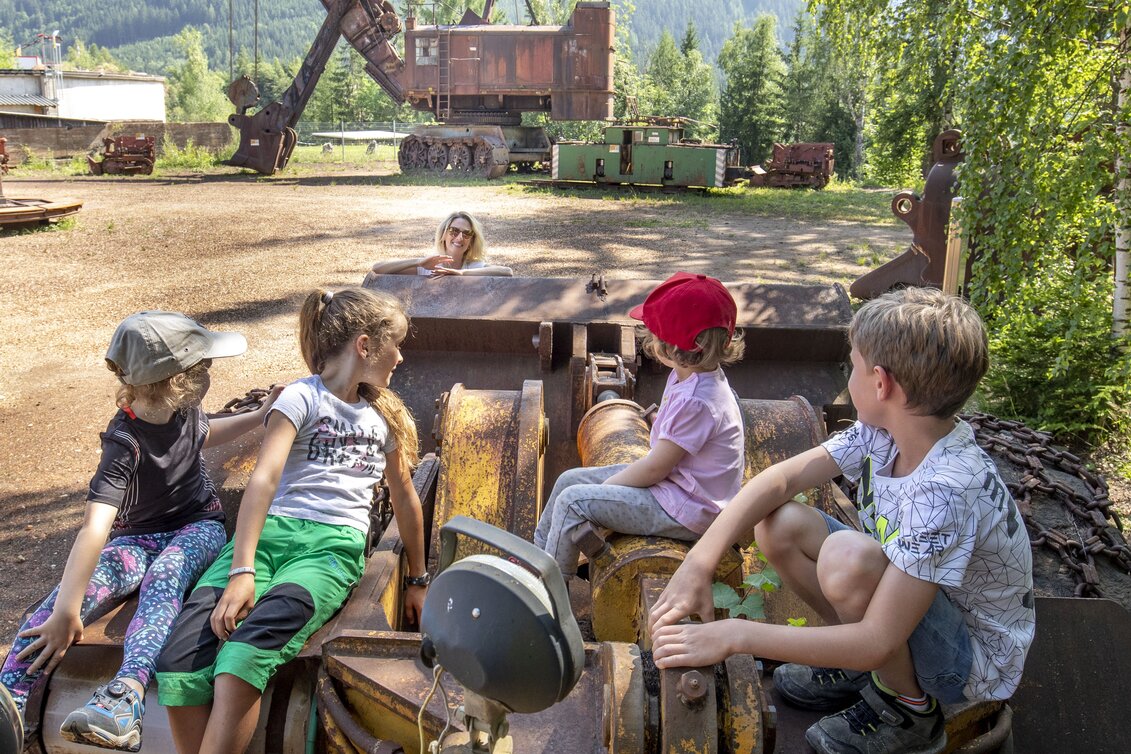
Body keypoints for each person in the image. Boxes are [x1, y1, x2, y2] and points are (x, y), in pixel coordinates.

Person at [649, 287, 1035, 754]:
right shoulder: (888, 432)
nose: (846, 377)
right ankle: (859, 670)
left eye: (851, 365)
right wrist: (699, 562)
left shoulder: (947, 488)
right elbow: (778, 480)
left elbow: (876, 640)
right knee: (780, 522)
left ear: (880, 383)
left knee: (848, 558)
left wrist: (733, 636)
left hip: (966, 663)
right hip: (917, 614)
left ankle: (909, 710)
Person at [155, 287, 428, 754]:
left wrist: (419, 577)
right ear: (364, 346)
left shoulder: (383, 416)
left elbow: (404, 495)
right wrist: (242, 570)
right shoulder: (301, 398)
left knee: (243, 656)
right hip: (266, 540)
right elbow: (263, 482)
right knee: (178, 660)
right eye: (395, 344)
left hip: (329, 550)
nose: (400, 357)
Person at [0, 311, 279, 752]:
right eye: (203, 366)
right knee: (72, 597)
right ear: (179, 380)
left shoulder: (184, 411)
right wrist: (69, 611)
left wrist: (261, 415)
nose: (209, 374)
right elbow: (95, 528)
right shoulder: (124, 441)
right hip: (134, 539)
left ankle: (125, 695)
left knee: (165, 578)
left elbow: (203, 435)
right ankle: (10, 699)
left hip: (197, 527)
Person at [534, 272, 745, 577]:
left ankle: (547, 591)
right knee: (569, 479)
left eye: (657, 334)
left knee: (573, 501)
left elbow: (654, 469)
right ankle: (537, 557)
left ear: (679, 346)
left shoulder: (698, 400)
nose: (652, 338)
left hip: (688, 511)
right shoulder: (692, 375)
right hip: (677, 489)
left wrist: (604, 492)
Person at [368, 211, 513, 278]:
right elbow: (377, 269)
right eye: (454, 231)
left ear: (471, 241)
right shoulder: (428, 266)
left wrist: (462, 273)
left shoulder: (474, 267)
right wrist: (418, 262)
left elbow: (507, 272)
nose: (460, 237)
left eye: (467, 233)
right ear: (443, 234)